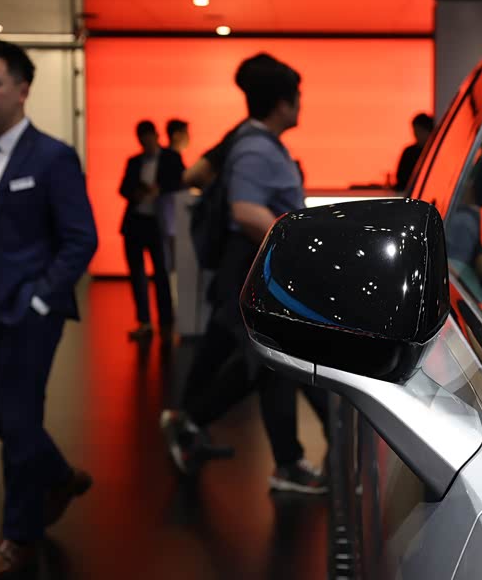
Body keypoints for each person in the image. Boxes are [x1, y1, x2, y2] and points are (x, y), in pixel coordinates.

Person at [0, 40, 98, 578]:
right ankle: (59, 476)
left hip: (28, 309)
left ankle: (19, 537)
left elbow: (81, 238)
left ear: (22, 89)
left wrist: (39, 297)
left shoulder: (52, 157)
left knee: (18, 415)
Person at [160, 53, 329, 493]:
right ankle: (202, 427)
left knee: (263, 362)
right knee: (266, 364)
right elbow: (245, 210)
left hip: (249, 268)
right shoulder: (256, 148)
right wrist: (294, 247)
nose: (301, 104)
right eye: (297, 97)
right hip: (252, 268)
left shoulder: (251, 141)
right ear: (282, 103)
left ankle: (191, 422)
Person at [119, 120, 184, 341]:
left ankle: (165, 321)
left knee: (161, 272)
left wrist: (160, 189)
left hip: (160, 222)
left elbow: (180, 180)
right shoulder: (134, 161)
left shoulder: (171, 158)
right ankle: (145, 321)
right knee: (137, 274)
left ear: (156, 136)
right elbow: (124, 188)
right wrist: (137, 192)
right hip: (136, 223)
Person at [159, 119, 190, 271]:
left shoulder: (170, 157)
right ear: (177, 135)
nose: (188, 138)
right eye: (186, 133)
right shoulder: (170, 157)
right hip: (171, 214)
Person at [395, 112, 434, 192]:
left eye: (420, 131)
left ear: (428, 131)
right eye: (415, 131)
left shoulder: (434, 153)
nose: (416, 134)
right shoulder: (409, 153)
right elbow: (401, 179)